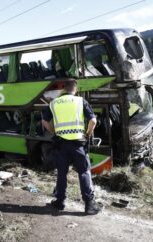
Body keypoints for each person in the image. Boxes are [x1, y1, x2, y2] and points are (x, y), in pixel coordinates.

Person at [41, 79, 100, 215]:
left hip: (61, 144)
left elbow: (44, 121)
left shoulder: (54, 103)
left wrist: (53, 131)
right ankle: (89, 204)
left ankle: (60, 201)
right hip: (78, 143)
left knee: (62, 173)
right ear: (76, 89)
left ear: (63, 89)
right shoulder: (80, 101)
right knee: (84, 172)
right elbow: (93, 120)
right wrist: (88, 133)